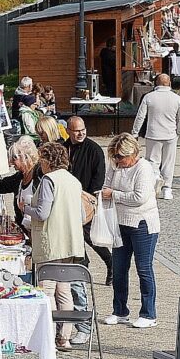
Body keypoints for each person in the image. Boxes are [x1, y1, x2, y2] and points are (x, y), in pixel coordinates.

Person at [22, 141, 93, 349]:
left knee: (47, 290)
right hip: (71, 243)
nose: (40, 164)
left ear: (47, 161)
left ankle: (49, 337)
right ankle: (65, 337)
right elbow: (82, 215)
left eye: (41, 160)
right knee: (64, 289)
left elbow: (42, 213)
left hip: (51, 243)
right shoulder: (73, 180)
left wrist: (25, 208)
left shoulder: (49, 180)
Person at [100, 133, 161, 329]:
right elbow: (106, 186)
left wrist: (114, 195)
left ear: (132, 153)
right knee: (119, 268)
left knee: (143, 268)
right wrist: (109, 194)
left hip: (142, 223)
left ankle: (148, 314)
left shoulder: (143, 168)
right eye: (114, 156)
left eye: (120, 156)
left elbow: (139, 198)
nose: (117, 160)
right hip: (120, 223)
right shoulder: (115, 165)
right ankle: (120, 311)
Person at [66, 116, 113, 286]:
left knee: (90, 236)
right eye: (77, 130)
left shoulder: (94, 150)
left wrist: (89, 198)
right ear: (68, 131)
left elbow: (98, 178)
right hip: (69, 200)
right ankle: (83, 266)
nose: (81, 133)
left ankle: (110, 263)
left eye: (83, 130)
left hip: (87, 201)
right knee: (74, 236)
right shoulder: (65, 148)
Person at [130, 73, 180, 200]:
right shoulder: (177, 98)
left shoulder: (149, 97)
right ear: (169, 83)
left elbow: (140, 116)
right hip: (170, 134)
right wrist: (178, 131)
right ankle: (167, 189)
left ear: (156, 83)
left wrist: (135, 132)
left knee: (152, 161)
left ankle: (155, 178)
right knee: (168, 162)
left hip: (153, 133)